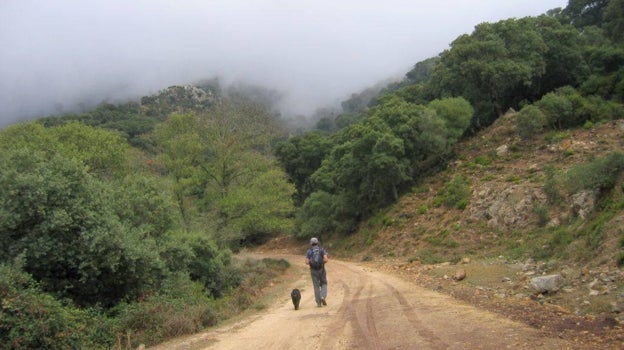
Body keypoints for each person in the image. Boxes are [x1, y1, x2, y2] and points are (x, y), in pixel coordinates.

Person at [305, 237, 329, 307]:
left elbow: (306, 262)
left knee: (316, 286)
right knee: (324, 283)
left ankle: (318, 303)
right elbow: (326, 259)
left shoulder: (309, 251)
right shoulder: (321, 250)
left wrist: (311, 262)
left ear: (311, 243)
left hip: (313, 270)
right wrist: (322, 262)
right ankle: (322, 297)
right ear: (317, 242)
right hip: (321, 269)